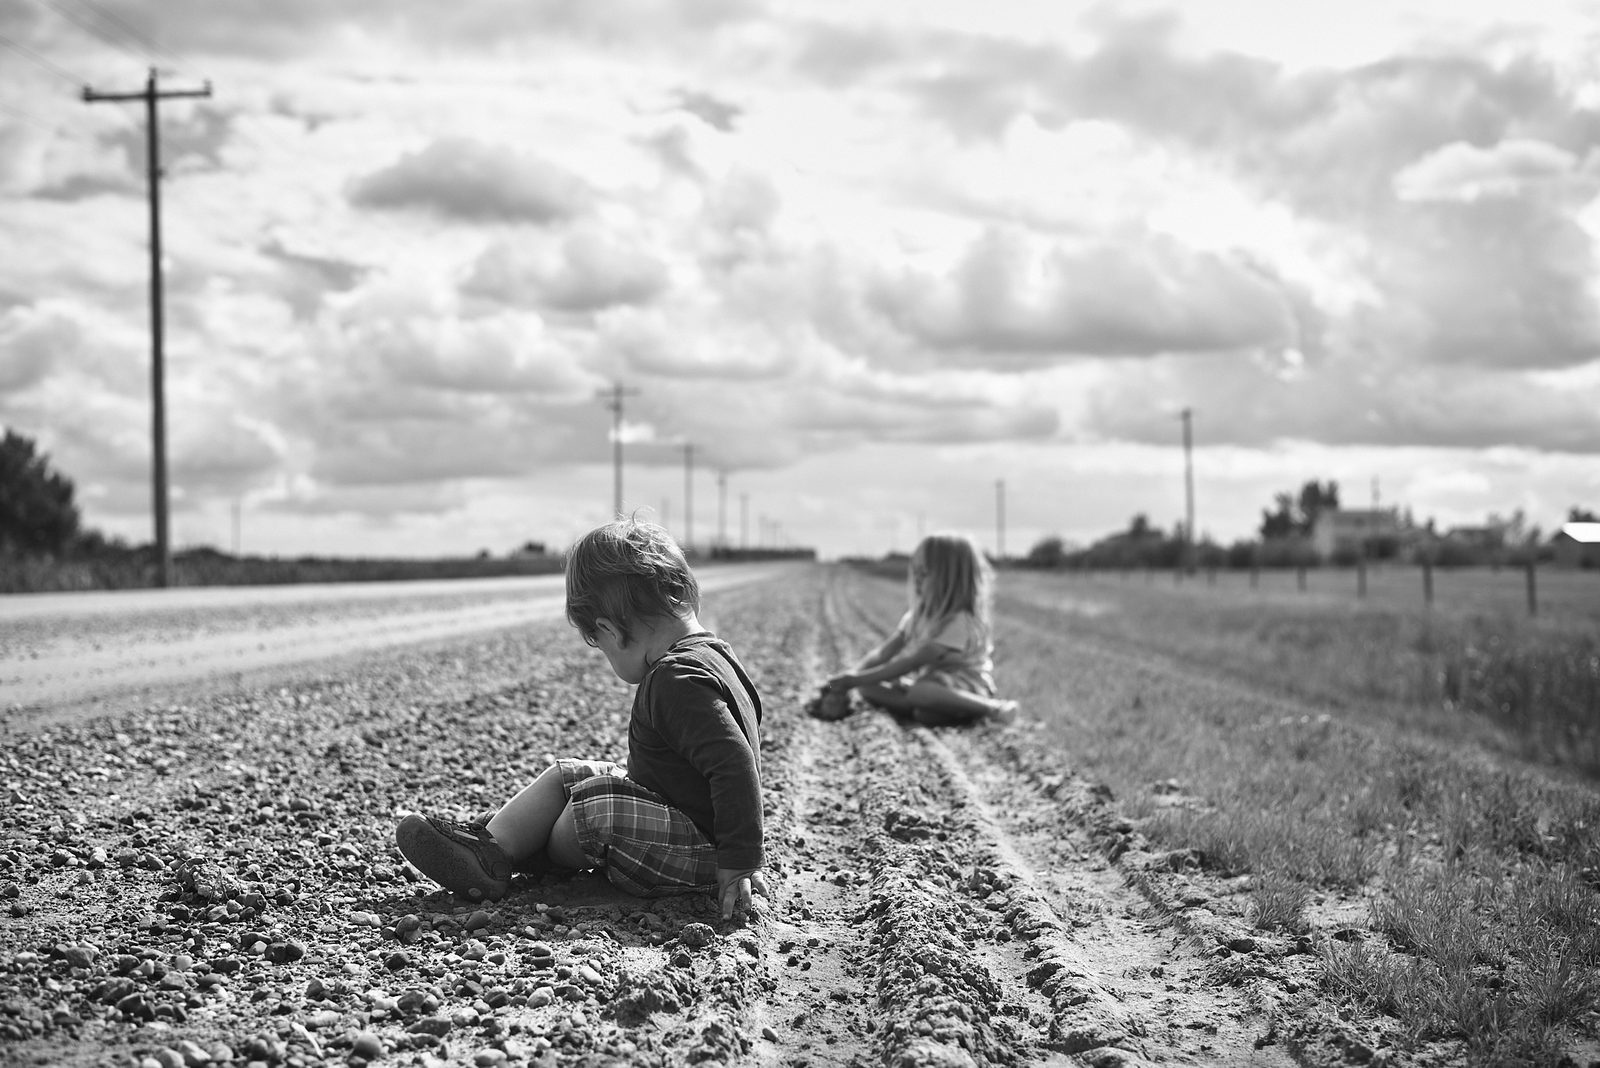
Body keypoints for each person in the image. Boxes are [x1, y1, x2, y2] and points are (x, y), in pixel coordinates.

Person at [396, 519, 767, 921]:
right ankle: (493, 845)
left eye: (602, 647)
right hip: (682, 826)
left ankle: (527, 853)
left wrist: (739, 861)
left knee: (597, 802)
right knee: (571, 775)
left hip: (700, 853)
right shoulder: (717, 656)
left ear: (608, 630)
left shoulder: (675, 679)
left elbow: (734, 764)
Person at [824, 532, 1019, 727]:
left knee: (919, 692)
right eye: (915, 571)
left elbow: (912, 662)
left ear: (950, 580)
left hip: (969, 687)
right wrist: (854, 676)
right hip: (933, 683)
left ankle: (991, 708)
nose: (916, 579)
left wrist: (853, 681)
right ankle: (938, 710)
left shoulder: (959, 622)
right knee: (872, 689)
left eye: (924, 574)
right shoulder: (916, 617)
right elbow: (883, 653)